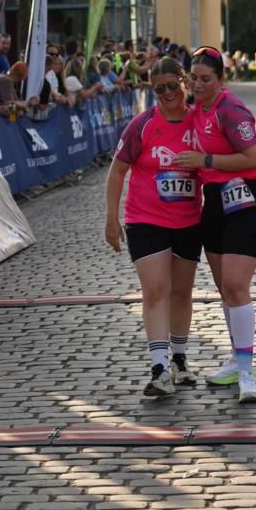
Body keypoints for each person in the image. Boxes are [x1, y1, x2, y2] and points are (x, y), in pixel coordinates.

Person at [174, 47, 256, 403]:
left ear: (220, 80)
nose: (198, 85)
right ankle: (236, 358)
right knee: (224, 288)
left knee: (236, 284)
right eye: (194, 79)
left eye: (206, 80)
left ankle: (248, 372)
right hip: (214, 202)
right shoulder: (195, 109)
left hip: (248, 199)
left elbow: (253, 157)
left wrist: (206, 159)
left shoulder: (230, 109)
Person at [104, 58, 201, 398]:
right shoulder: (142, 125)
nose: (167, 94)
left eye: (172, 85)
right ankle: (159, 367)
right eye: (159, 89)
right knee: (156, 289)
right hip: (145, 218)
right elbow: (117, 171)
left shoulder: (199, 122)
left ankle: (179, 359)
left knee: (181, 291)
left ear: (184, 82)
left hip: (189, 221)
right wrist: (111, 218)